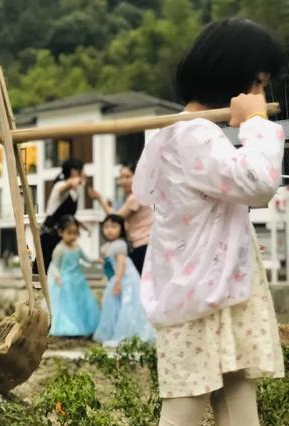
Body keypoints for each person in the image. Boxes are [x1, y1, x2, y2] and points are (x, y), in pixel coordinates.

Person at [132, 18, 285, 425]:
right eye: (257, 83)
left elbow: (213, 206)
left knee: (237, 395)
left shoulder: (184, 134)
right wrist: (256, 124)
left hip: (213, 287)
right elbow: (257, 183)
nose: (261, 95)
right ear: (230, 76)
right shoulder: (192, 135)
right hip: (202, 294)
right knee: (185, 405)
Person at [93, 214, 155, 346]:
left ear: (121, 229)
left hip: (126, 278)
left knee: (128, 304)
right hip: (118, 277)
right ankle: (115, 329)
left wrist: (118, 281)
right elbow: (111, 262)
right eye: (106, 227)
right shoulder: (108, 246)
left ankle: (129, 331)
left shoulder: (120, 244)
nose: (109, 230)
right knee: (116, 304)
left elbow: (121, 264)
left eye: (114, 227)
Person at [89, 163, 152, 273]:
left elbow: (116, 218)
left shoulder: (136, 196)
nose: (123, 181)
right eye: (121, 177)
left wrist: (100, 199)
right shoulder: (135, 196)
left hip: (142, 245)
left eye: (128, 177)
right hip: (140, 244)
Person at [47, 215, 100, 337]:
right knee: (69, 306)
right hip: (66, 281)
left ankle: (84, 326)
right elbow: (54, 265)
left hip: (79, 280)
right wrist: (57, 277)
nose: (73, 236)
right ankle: (70, 327)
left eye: (75, 233)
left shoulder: (77, 247)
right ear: (61, 232)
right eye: (69, 233)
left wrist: (96, 261)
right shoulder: (59, 249)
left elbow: (86, 259)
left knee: (81, 303)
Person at [34, 159, 86, 273]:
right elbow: (65, 187)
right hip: (51, 233)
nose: (84, 173)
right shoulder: (60, 185)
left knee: (61, 268)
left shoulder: (75, 192)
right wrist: (76, 180)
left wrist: (83, 226)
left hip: (63, 235)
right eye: (81, 171)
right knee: (45, 267)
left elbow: (68, 214)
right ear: (73, 171)